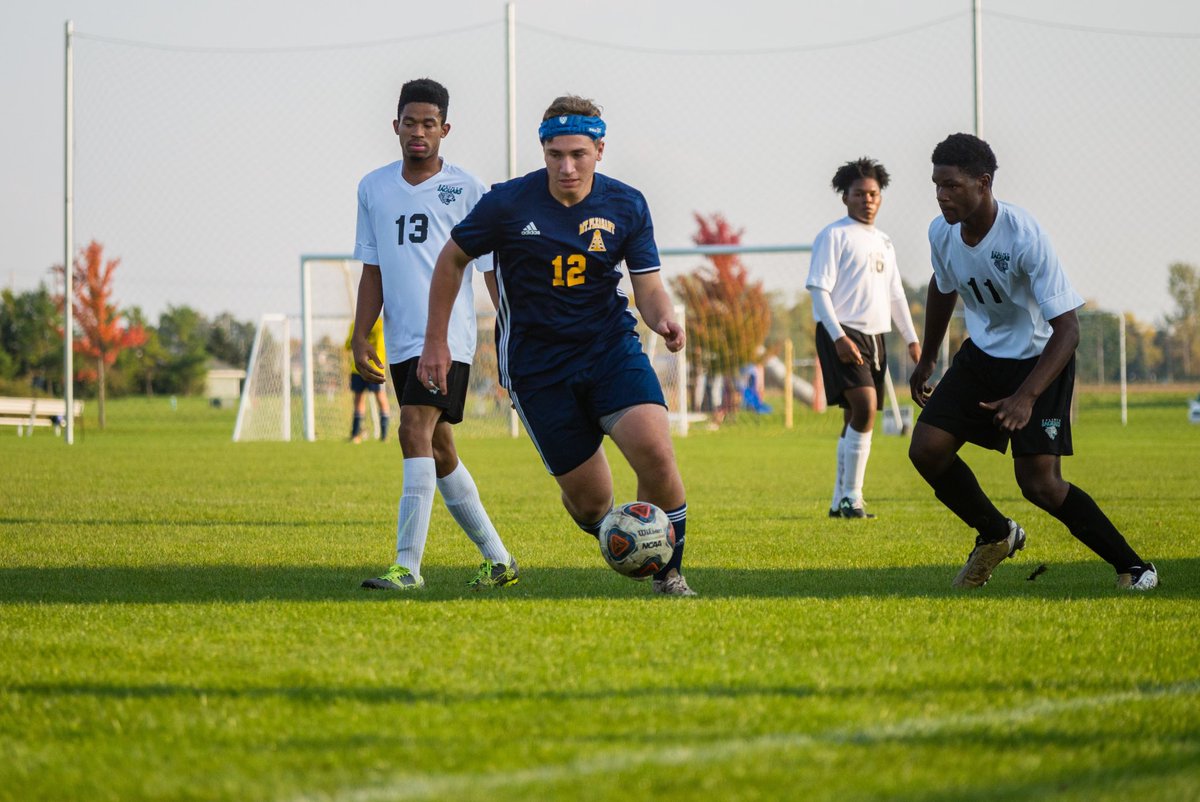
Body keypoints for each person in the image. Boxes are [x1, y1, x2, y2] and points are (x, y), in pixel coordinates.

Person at [418, 95, 696, 596]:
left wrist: (664, 320)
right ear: (543, 151)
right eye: (555, 155)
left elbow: (649, 286)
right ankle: (605, 523)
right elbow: (451, 261)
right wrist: (435, 340)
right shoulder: (507, 203)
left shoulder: (627, 203)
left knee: (656, 453)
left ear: (600, 150)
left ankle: (670, 573)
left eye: (578, 155)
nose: (566, 167)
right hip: (537, 366)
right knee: (593, 504)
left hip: (611, 349)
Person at [908, 132, 1158, 590]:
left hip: (1040, 360)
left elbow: (1068, 330)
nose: (942, 196)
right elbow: (943, 286)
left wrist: (1026, 397)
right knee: (926, 448)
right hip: (982, 357)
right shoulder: (939, 232)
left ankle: (1135, 567)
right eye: (936, 185)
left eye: (953, 186)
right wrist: (927, 359)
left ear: (983, 183)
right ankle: (996, 534)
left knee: (1039, 484)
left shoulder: (1024, 235)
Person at [352, 77, 518, 592]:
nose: (418, 132)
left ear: (445, 129)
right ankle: (499, 560)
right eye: (409, 122)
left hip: (447, 340)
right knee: (440, 448)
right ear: (395, 127)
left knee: (411, 430)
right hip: (401, 340)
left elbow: (490, 270)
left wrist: (510, 333)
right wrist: (361, 336)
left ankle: (408, 566)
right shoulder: (373, 187)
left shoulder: (468, 189)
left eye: (429, 123)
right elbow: (373, 269)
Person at [806, 158, 921, 519]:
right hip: (842, 332)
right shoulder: (833, 235)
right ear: (845, 197)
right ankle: (853, 498)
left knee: (854, 414)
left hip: (876, 335)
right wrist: (838, 336)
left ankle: (838, 500)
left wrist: (914, 340)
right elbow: (818, 290)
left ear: (880, 197)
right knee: (866, 408)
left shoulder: (885, 241)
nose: (867, 200)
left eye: (873, 194)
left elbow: (896, 295)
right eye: (859, 194)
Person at [343, 316, 391, 443]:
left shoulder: (381, 325)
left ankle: (384, 435)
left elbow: (383, 343)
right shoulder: (355, 324)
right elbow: (348, 344)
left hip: (376, 367)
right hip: (357, 368)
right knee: (359, 399)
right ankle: (355, 434)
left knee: (380, 397)